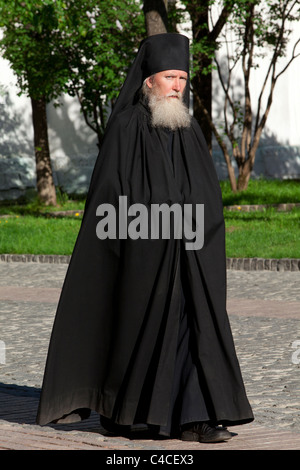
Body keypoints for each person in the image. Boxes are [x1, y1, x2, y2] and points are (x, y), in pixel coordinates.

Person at [36, 33, 254, 444]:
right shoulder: (125, 128)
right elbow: (109, 197)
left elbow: (207, 194)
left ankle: (196, 418)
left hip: (190, 252)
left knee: (196, 327)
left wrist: (197, 228)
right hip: (141, 251)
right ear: (148, 80)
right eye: (170, 76)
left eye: (183, 79)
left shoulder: (188, 130)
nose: (177, 86)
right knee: (138, 328)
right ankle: (129, 414)